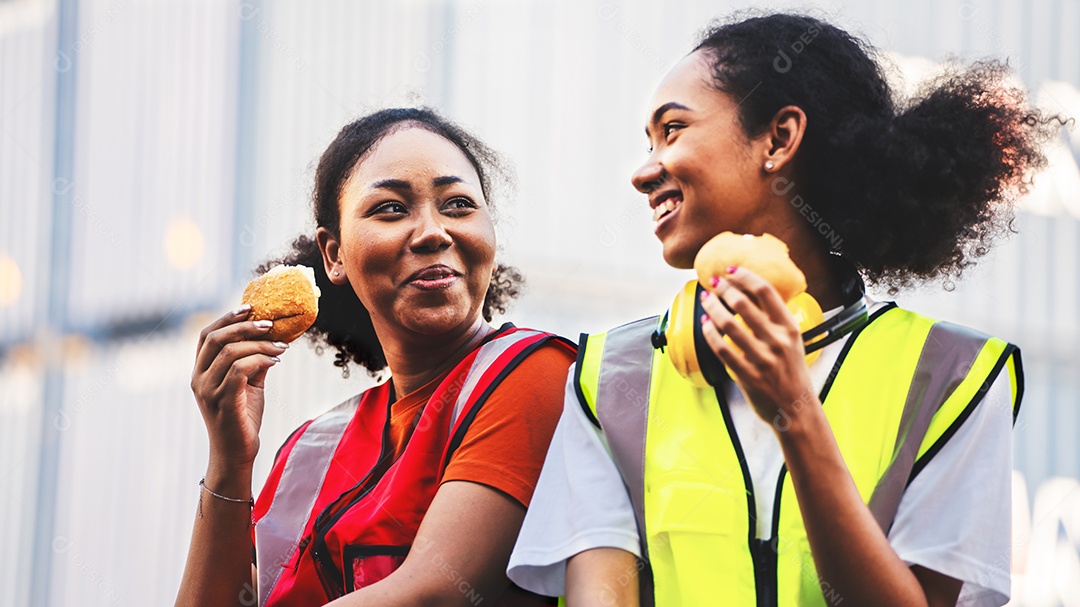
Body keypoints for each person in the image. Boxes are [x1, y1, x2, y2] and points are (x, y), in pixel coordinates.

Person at [508, 12, 1061, 607]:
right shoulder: (610, 378)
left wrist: (795, 414)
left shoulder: (955, 375)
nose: (644, 172)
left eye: (673, 129)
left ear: (777, 139)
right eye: (648, 141)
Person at [176, 108, 574, 607]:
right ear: (333, 255)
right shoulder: (310, 453)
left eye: (457, 204)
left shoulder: (533, 372)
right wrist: (230, 460)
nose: (433, 232)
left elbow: (433, 593)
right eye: (390, 209)